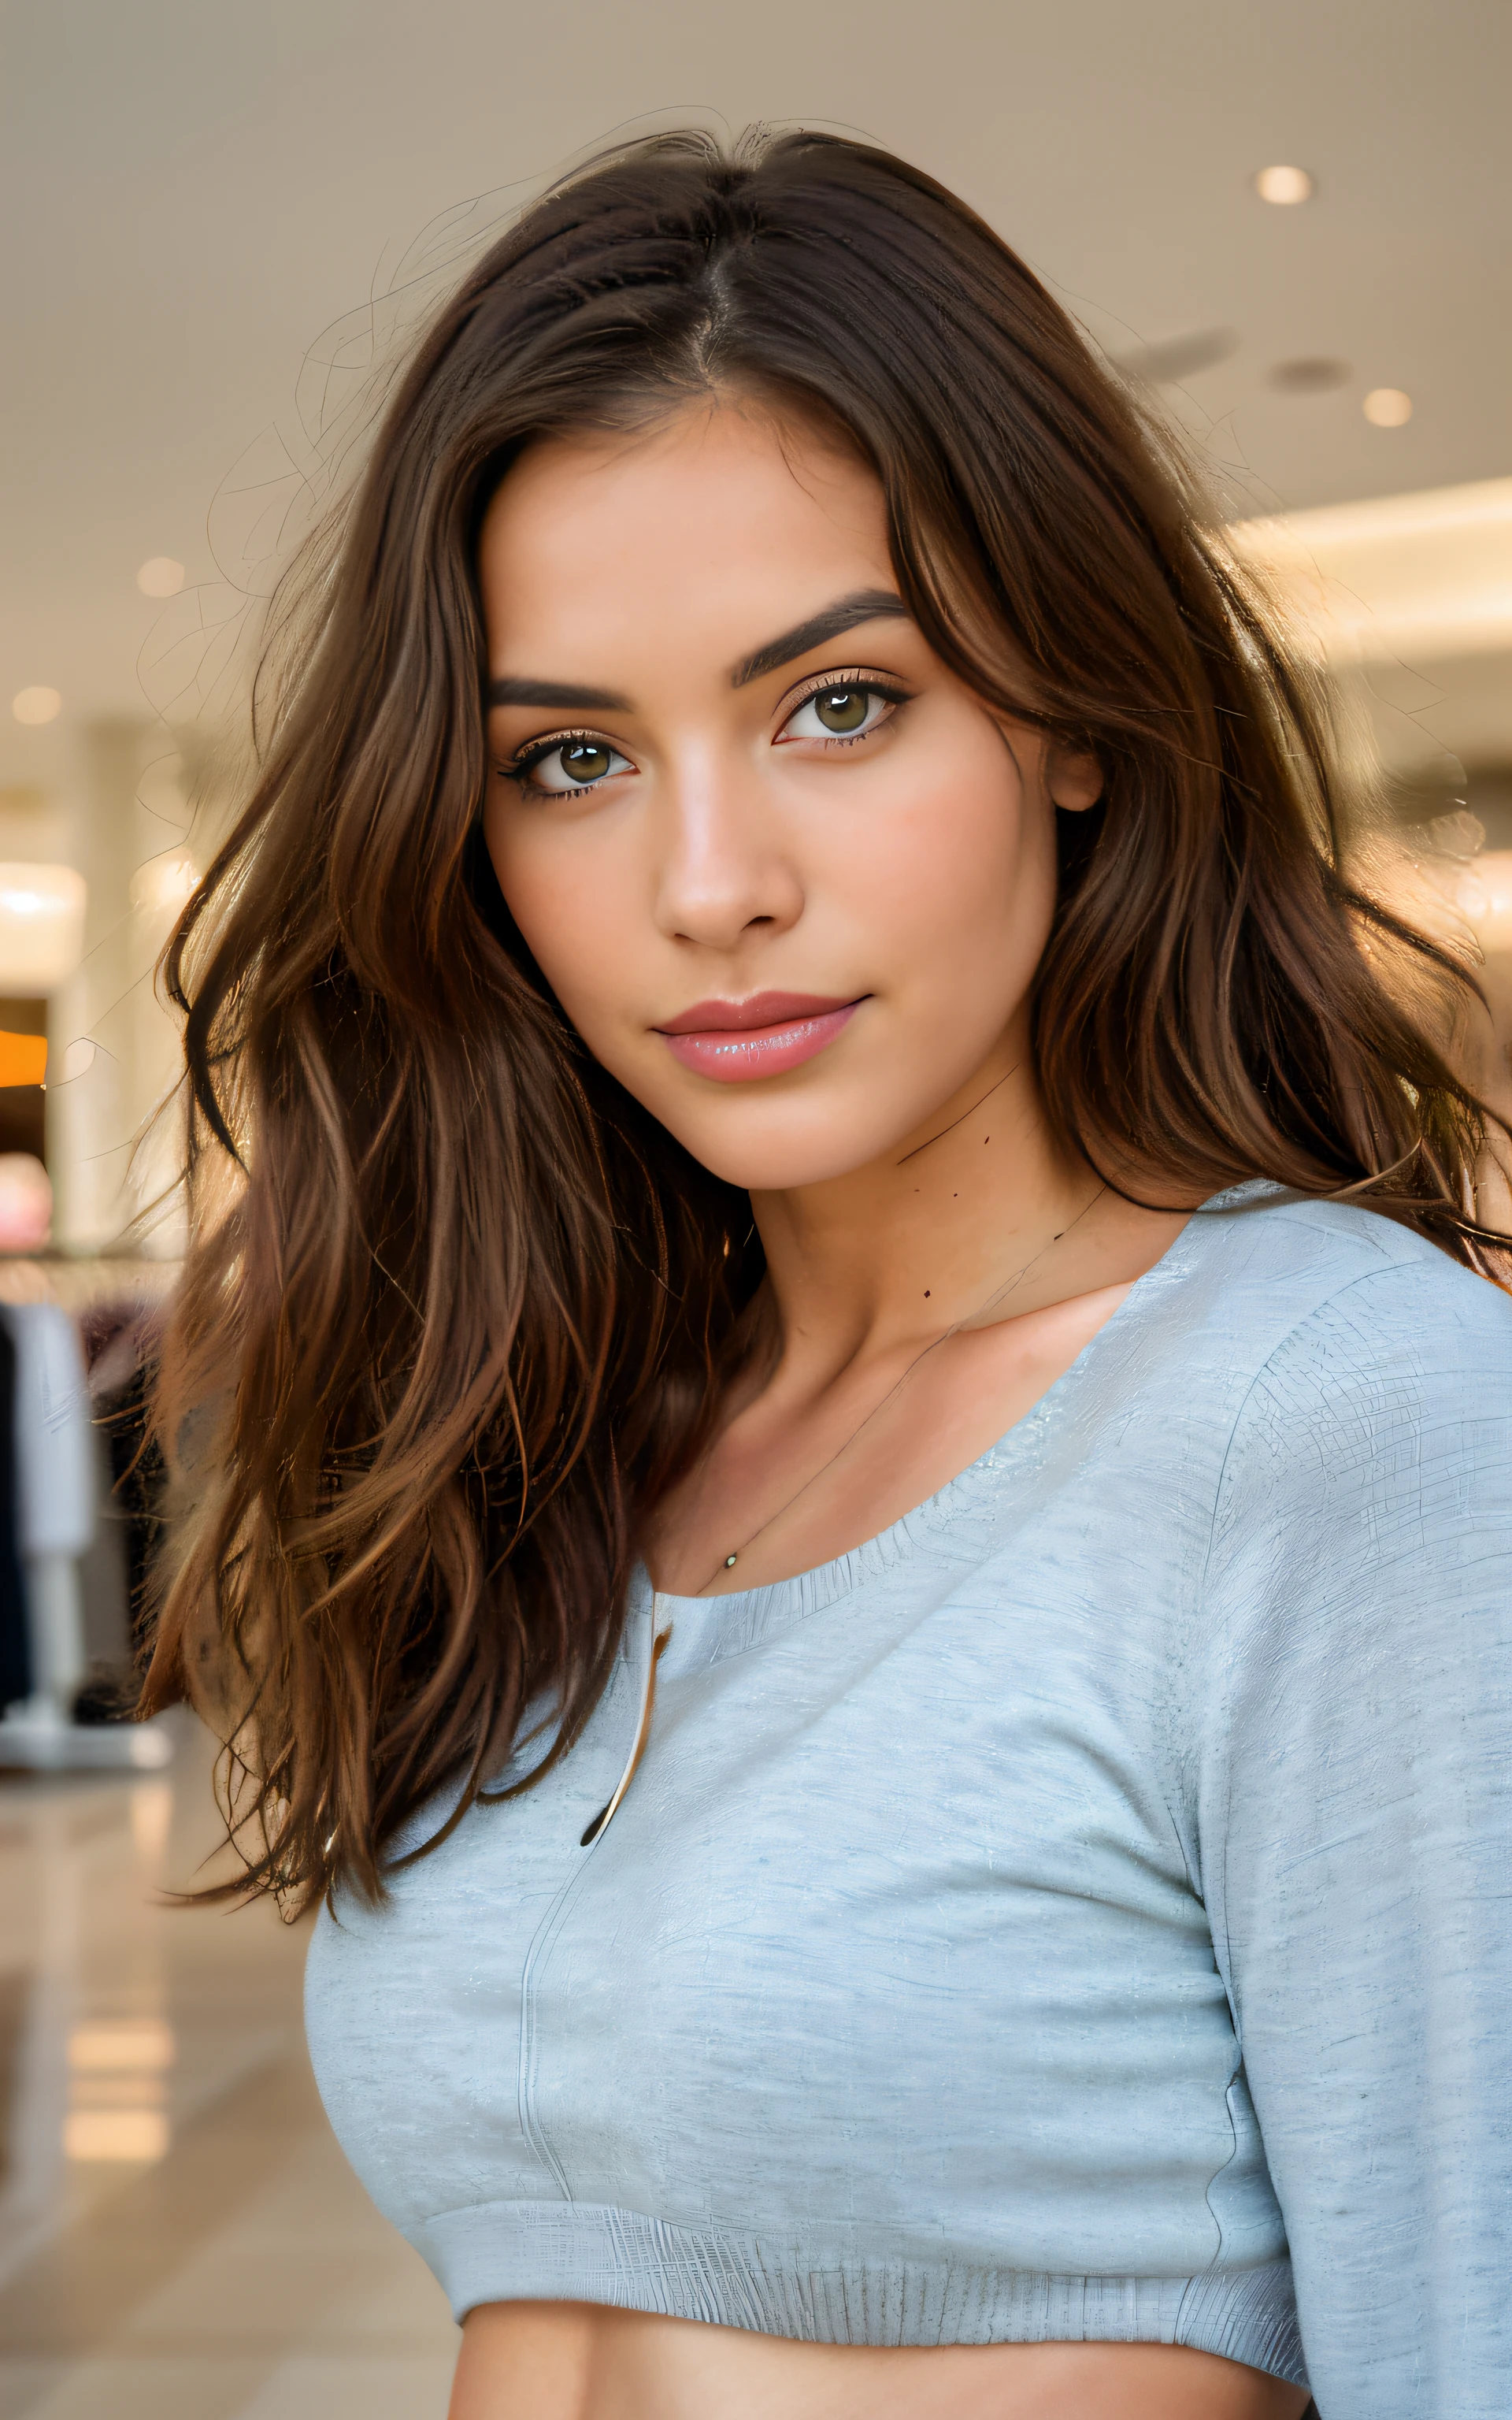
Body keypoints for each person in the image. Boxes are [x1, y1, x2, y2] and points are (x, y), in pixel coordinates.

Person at [145, 129, 1512, 2420]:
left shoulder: (1342, 1424)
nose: (708, 882)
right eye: (568, 757)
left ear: (1073, 714)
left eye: (840, 704)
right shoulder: (594, 1439)